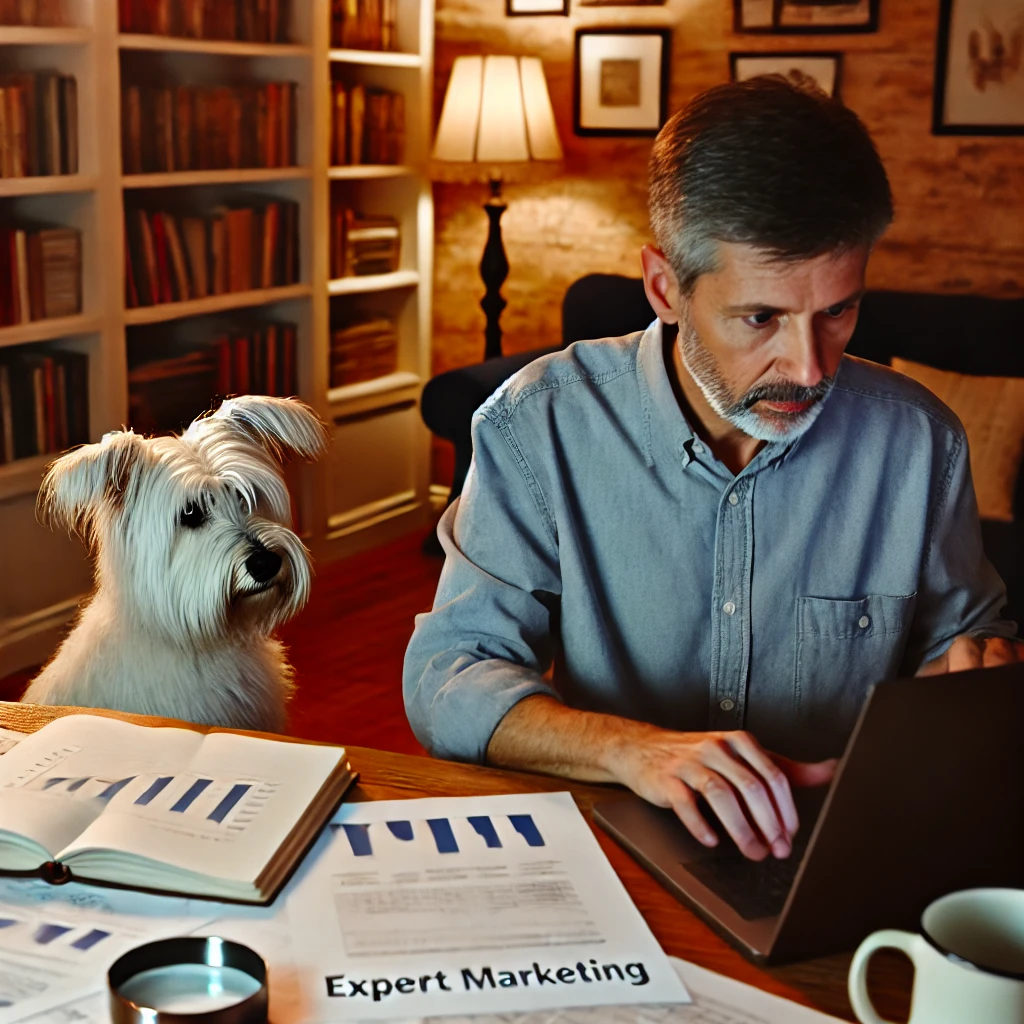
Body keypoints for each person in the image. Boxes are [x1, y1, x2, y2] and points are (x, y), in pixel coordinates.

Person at [403, 77, 1022, 863]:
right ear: (665, 287)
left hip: (836, 859)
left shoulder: (920, 443)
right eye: (761, 317)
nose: (808, 366)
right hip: (619, 853)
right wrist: (632, 750)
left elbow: (968, 639)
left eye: (837, 310)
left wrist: (970, 674)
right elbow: (448, 677)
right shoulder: (538, 426)